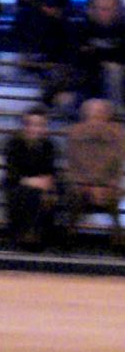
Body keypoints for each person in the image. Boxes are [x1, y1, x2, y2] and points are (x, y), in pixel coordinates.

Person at [63, 98, 124, 248]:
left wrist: (108, 185)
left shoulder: (118, 134)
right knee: (73, 193)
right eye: (94, 115)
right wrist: (89, 186)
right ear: (86, 116)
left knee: (116, 195)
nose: (97, 119)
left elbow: (118, 164)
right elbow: (73, 165)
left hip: (109, 185)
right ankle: (69, 236)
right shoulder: (75, 133)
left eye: (101, 114)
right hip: (83, 185)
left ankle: (119, 238)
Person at [3, 104, 59, 251]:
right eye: (32, 125)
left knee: (52, 194)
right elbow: (12, 174)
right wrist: (32, 181)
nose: (36, 129)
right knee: (28, 194)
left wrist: (47, 183)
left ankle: (42, 239)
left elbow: (50, 171)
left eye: (41, 125)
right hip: (18, 185)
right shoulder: (13, 144)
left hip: (41, 185)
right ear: (25, 126)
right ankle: (26, 237)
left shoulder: (48, 146)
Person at [67, 0, 125, 116]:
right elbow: (78, 57)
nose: (101, 13)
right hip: (87, 82)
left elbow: (121, 56)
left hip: (119, 85)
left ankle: (117, 116)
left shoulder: (122, 29)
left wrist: (97, 53)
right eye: (98, 8)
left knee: (113, 70)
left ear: (117, 10)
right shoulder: (80, 28)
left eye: (106, 9)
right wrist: (106, 54)